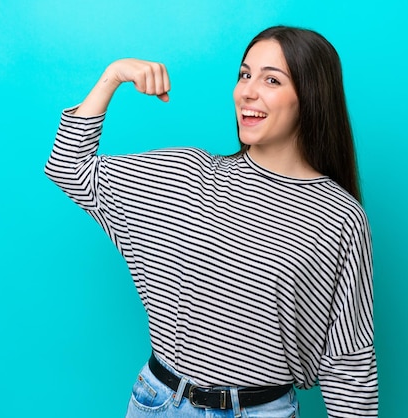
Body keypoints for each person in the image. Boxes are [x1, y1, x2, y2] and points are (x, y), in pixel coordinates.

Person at [45, 25, 377, 418]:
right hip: (158, 403)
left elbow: (348, 363)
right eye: (244, 74)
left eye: (271, 79)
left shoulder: (338, 216)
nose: (247, 91)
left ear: (311, 96)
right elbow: (69, 168)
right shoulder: (187, 175)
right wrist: (114, 75)